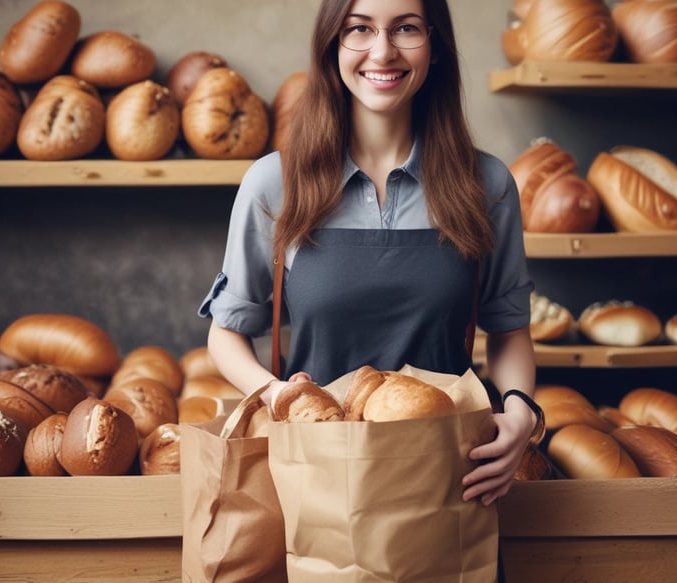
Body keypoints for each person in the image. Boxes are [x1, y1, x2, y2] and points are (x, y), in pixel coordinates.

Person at [198, 0, 538, 506]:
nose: (382, 50)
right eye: (359, 29)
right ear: (333, 44)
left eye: (405, 28)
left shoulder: (486, 185)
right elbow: (225, 335)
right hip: (317, 485)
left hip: (451, 483)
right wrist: (278, 396)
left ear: (435, 46)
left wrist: (520, 412)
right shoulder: (274, 184)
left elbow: (509, 329)